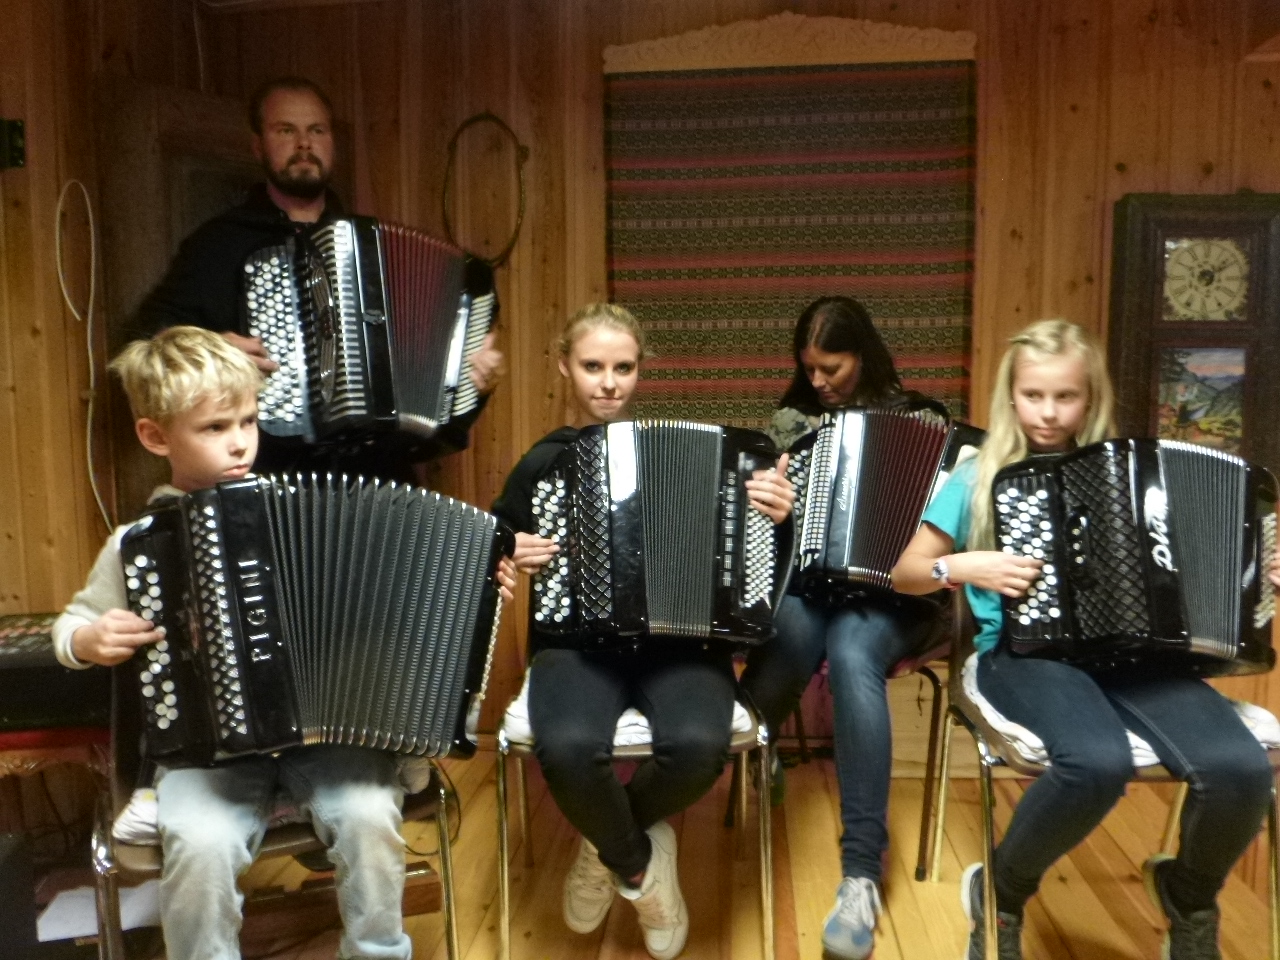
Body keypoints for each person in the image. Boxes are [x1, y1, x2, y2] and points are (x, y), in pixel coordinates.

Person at [53, 326, 514, 960]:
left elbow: (405, 609)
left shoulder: (311, 508)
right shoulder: (140, 545)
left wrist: (475, 589)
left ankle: (377, 952)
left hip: (329, 737)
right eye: (214, 427)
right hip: (204, 756)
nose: (239, 440)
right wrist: (88, 638)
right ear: (156, 437)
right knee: (199, 845)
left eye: (248, 420)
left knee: (368, 816)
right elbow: (71, 624)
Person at [892, 318, 1276, 960]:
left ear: (1089, 398)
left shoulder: (1140, 477)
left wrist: (1257, 571)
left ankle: (1187, 897)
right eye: (1033, 395)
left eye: (1065, 396)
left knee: (1240, 769)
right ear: (1011, 396)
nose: (1048, 412)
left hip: (1136, 657)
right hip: (1022, 653)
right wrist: (960, 566)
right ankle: (1001, 892)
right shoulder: (978, 476)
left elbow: (1200, 569)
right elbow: (905, 572)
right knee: (1096, 762)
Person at [491, 303, 794, 960]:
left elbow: (765, 566)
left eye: (623, 368)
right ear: (565, 367)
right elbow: (494, 544)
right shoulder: (547, 461)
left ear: (639, 370)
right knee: (567, 747)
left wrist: (777, 516)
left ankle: (604, 844)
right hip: (576, 644)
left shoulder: (719, 458)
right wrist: (512, 550)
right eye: (593, 366)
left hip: (683, 644)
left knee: (700, 745)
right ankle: (636, 869)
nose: (608, 382)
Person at [135, 76, 504, 480]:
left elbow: (442, 390)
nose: (304, 144)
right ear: (258, 146)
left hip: (379, 476)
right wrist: (211, 354)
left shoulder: (372, 248)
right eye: (285, 131)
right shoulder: (218, 245)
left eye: (316, 130)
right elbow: (140, 344)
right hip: (270, 475)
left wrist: (474, 381)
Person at [739, 295, 949, 960]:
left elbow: (944, 528)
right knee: (792, 629)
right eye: (809, 367)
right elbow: (765, 537)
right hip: (812, 584)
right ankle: (748, 747)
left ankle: (860, 872)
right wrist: (775, 512)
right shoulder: (790, 423)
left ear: (863, 355)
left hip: (896, 597)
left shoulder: (922, 419)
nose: (819, 380)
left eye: (831, 367)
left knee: (853, 649)